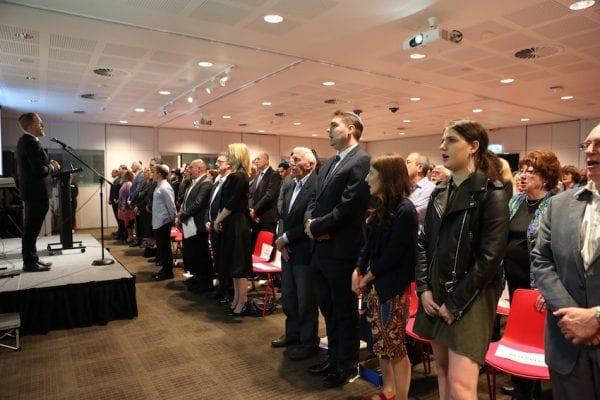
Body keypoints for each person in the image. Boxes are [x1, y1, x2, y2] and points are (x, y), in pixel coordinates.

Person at [413, 120, 509, 399]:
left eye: (451, 140)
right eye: (443, 140)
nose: (442, 146)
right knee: (442, 373)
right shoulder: (440, 191)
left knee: (461, 386)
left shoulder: (492, 192)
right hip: (435, 292)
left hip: (471, 297)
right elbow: (424, 244)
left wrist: (455, 303)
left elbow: (490, 258)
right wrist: (424, 288)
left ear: (473, 146)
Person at [531, 123, 600, 399]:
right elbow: (541, 260)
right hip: (567, 344)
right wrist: (572, 316)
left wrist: (596, 318)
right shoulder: (559, 205)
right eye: (587, 144)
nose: (591, 151)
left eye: (599, 144)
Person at [304, 110, 370, 388]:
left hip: (342, 249)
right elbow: (314, 198)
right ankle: (334, 358)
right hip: (320, 248)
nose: (328, 130)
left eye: (333, 126)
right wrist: (310, 223)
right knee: (328, 308)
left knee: (344, 311)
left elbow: (349, 206)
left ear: (351, 129)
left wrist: (316, 226)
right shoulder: (331, 161)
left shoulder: (361, 160)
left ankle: (347, 364)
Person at [352, 153, 418, 400]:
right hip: (376, 286)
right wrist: (358, 269)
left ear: (387, 177)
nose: (367, 179)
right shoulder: (382, 208)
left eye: (372, 174)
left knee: (395, 347)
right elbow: (368, 246)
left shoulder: (405, 210)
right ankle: (389, 390)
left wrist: (367, 276)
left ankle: (401, 396)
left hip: (392, 288)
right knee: (381, 343)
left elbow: (394, 254)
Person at [503, 149, 560, 399]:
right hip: (513, 279)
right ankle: (523, 386)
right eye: (522, 170)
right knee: (519, 331)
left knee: (534, 337)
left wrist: (547, 288)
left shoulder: (554, 205)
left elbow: (558, 251)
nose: (523, 175)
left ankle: (528, 390)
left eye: (531, 171)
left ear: (546, 178)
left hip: (537, 282)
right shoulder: (515, 202)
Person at [272, 147, 319, 361]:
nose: (291, 162)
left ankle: (308, 341)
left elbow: (309, 221)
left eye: (297, 159)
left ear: (310, 165)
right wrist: (281, 243)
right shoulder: (290, 183)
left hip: (304, 251)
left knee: (306, 300)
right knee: (289, 297)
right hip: (287, 250)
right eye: (291, 159)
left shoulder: (316, 185)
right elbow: (283, 216)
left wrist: (286, 239)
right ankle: (292, 334)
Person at [15, 112, 61, 272]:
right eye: (39, 122)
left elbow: (36, 165)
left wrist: (48, 163)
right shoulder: (30, 143)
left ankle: (32, 258)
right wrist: (52, 167)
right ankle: (29, 263)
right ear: (30, 126)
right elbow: (39, 171)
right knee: (31, 229)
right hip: (36, 193)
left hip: (32, 192)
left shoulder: (26, 141)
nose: (43, 125)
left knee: (32, 229)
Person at [214, 143, 253, 316]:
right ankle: (237, 300)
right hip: (232, 222)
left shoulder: (239, 176)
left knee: (239, 266)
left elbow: (232, 202)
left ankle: (242, 301)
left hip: (237, 224)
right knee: (234, 267)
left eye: (229, 153)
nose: (227, 156)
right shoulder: (237, 175)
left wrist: (218, 219)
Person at [178, 159, 213, 293]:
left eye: (191, 167)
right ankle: (197, 278)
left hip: (198, 225)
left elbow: (198, 204)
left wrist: (182, 216)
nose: (188, 170)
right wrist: (182, 215)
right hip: (191, 224)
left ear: (199, 168)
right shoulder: (194, 182)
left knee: (202, 255)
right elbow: (186, 202)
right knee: (194, 254)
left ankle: (205, 283)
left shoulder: (206, 183)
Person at [249, 151, 281, 244]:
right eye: (255, 159)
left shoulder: (274, 174)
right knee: (256, 245)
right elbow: (252, 194)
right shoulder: (258, 175)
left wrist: (255, 210)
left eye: (259, 159)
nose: (256, 161)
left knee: (267, 247)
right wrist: (251, 210)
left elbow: (269, 195)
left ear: (267, 161)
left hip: (267, 218)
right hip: (255, 217)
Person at [152, 164, 176, 281]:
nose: (153, 174)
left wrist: (172, 219)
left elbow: (171, 205)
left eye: (154, 172)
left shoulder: (165, 187)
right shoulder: (159, 186)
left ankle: (168, 272)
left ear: (160, 174)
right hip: (158, 221)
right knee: (161, 248)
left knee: (165, 248)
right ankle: (164, 269)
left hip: (164, 222)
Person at [405, 152, 435, 231]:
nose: (404, 166)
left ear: (420, 168)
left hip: (416, 237)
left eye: (408, 162)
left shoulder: (429, 188)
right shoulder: (407, 187)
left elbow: (411, 214)